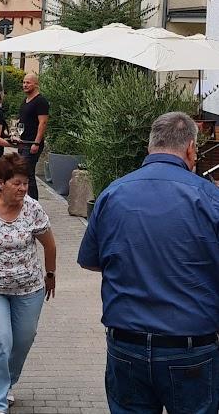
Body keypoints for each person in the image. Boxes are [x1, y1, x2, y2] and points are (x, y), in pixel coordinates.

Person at [78, 111, 219, 414]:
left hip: (127, 342)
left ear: (150, 146)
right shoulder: (209, 197)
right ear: (191, 148)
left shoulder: (114, 193)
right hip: (191, 345)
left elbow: (90, 261)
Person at [0, 155, 57, 414]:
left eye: (26, 183)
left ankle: (7, 382)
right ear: (1, 183)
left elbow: (49, 244)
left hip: (28, 289)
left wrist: (50, 275)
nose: (23, 189)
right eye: (17, 183)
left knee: (23, 341)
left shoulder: (33, 209)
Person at [16, 72, 48, 200]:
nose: (25, 85)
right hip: (23, 141)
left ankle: (34, 203)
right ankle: (25, 201)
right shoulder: (25, 100)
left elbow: (43, 122)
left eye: (28, 82)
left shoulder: (40, 101)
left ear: (36, 84)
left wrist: (36, 142)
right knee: (22, 172)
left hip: (32, 143)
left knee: (28, 173)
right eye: (24, 82)